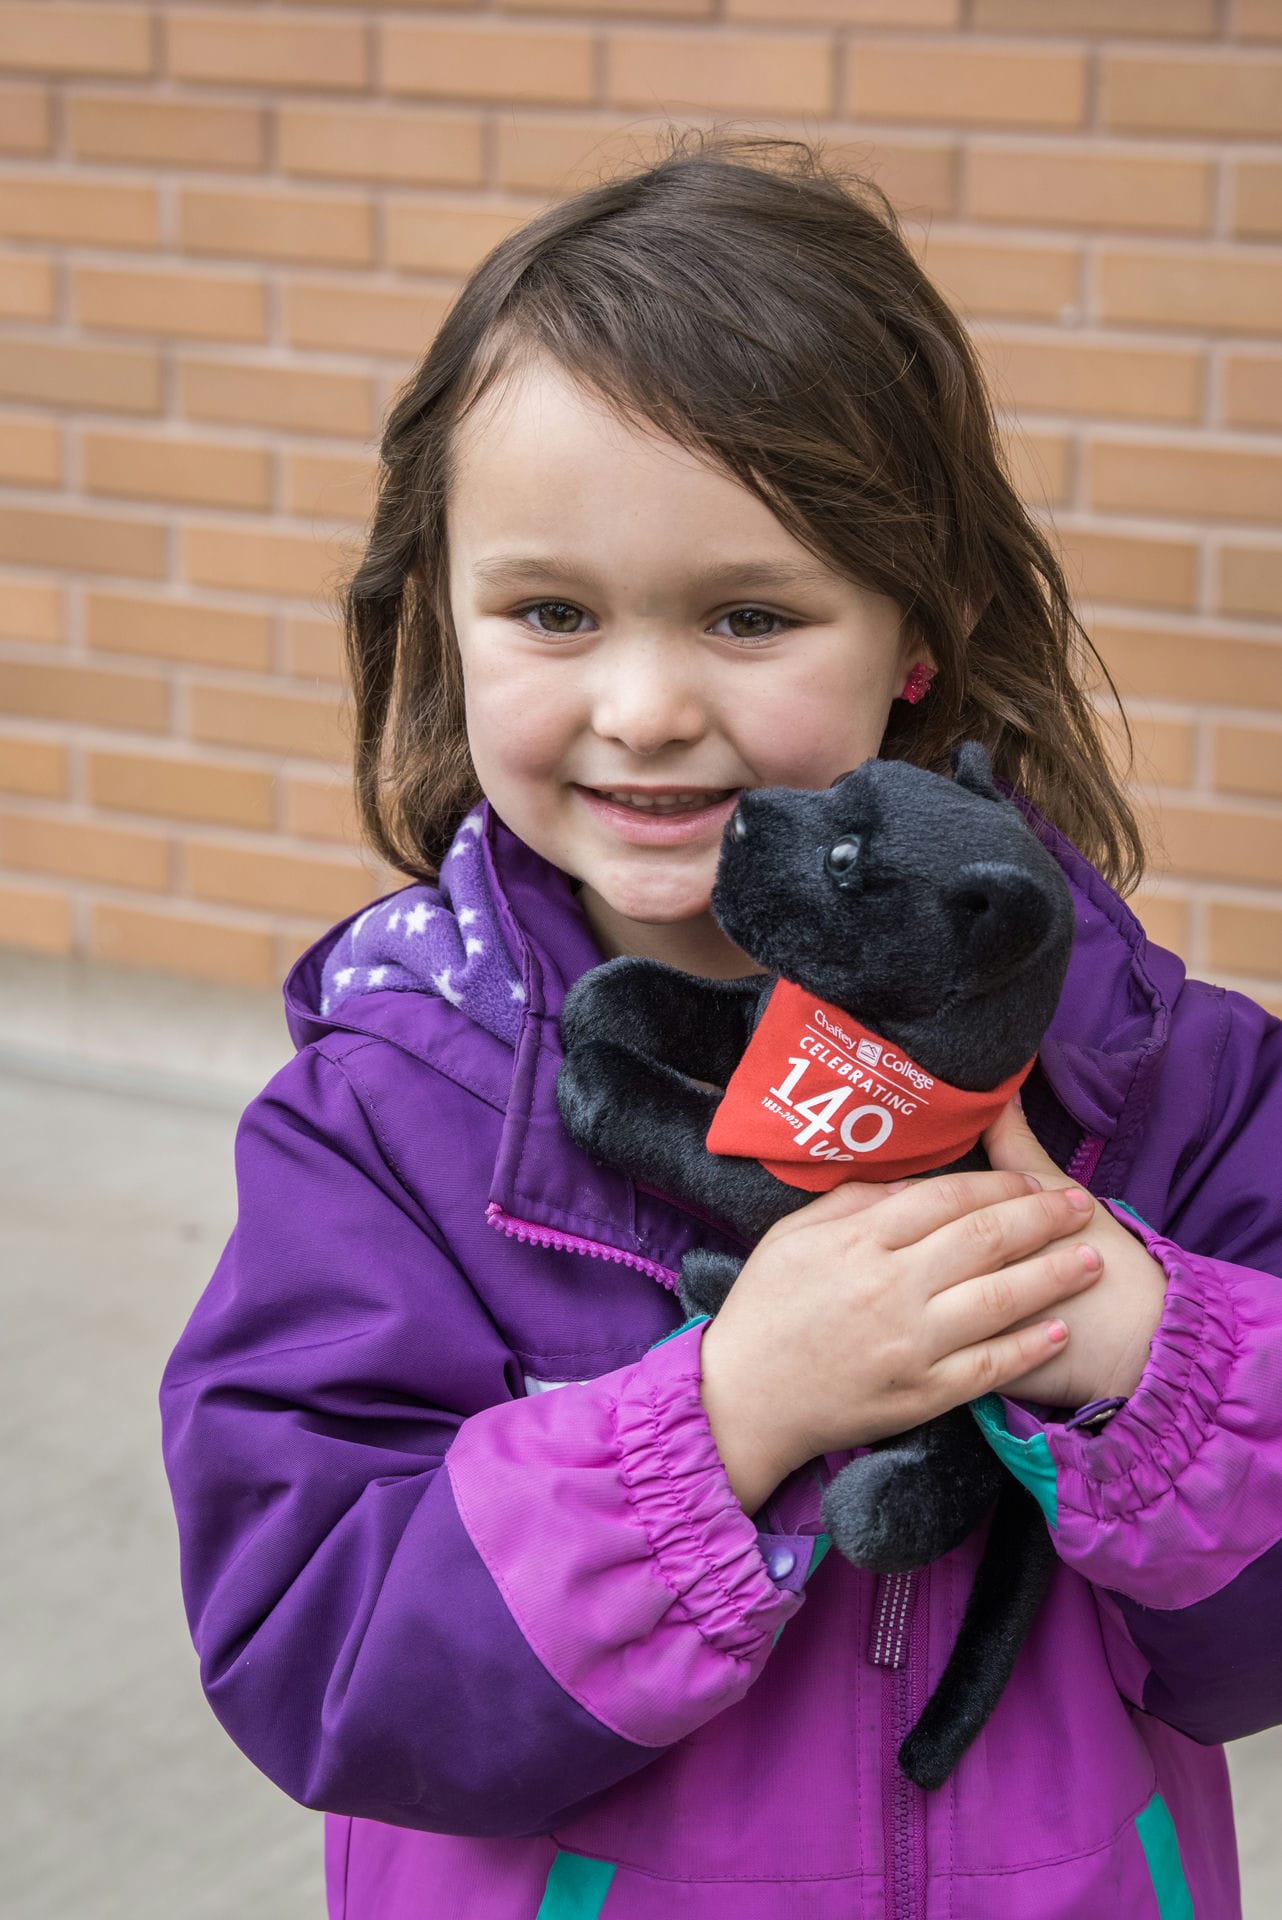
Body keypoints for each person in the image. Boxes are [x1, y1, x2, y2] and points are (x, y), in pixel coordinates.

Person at [159, 132, 1282, 1919]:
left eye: (750, 616)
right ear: (443, 625)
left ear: (922, 632)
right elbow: (322, 1654)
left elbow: (1249, 1660)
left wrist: (1152, 1353)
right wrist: (724, 1416)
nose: (645, 703)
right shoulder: (390, 1114)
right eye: (549, 612)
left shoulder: (1153, 1071)